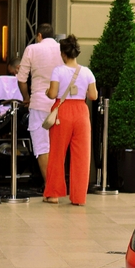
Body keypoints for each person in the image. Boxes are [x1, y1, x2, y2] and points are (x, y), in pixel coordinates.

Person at [43, 35, 97, 206]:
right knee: (82, 156)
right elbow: (93, 96)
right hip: (81, 112)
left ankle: (53, 194)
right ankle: (79, 197)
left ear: (63, 54)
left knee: (58, 154)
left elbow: (52, 94)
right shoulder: (87, 72)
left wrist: (46, 92)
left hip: (63, 112)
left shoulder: (58, 71)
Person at [17, 23, 63, 181]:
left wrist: (26, 98)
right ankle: (58, 185)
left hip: (39, 103)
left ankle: (51, 186)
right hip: (60, 104)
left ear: (39, 35)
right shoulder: (62, 49)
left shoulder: (32, 49)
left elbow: (22, 80)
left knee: (42, 146)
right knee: (58, 146)